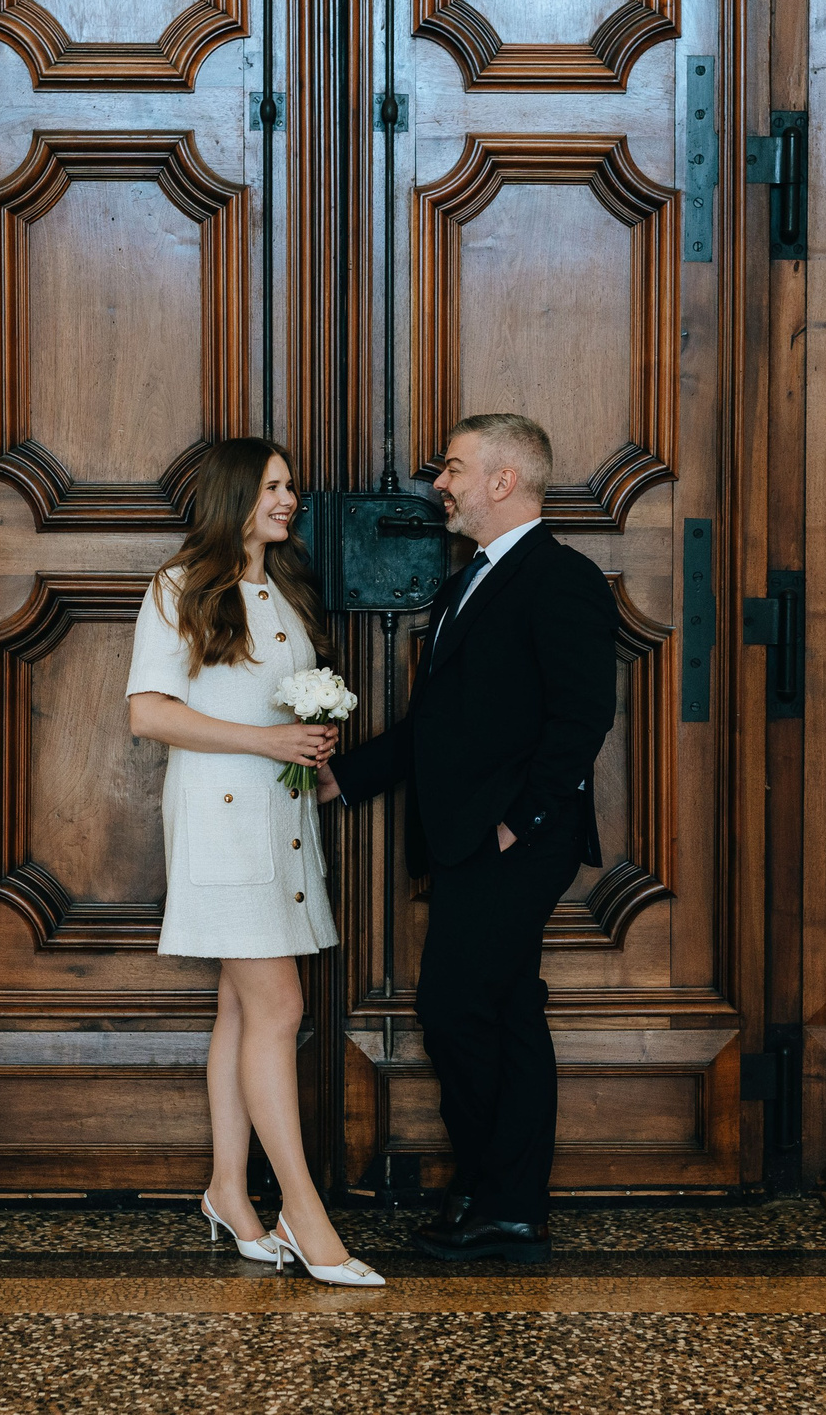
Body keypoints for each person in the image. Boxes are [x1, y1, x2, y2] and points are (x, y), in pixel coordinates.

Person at [319, 413, 617, 1262]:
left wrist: (515, 824)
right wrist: (345, 777)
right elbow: (437, 726)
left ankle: (503, 1198)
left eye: (452, 468)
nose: (438, 483)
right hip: (467, 840)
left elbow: (583, 715)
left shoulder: (561, 579)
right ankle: (502, 1201)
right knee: (504, 1010)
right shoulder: (468, 582)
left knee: (457, 1011)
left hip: (515, 842)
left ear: (503, 480)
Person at [125, 437, 384, 1289]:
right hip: (220, 824)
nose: (289, 499)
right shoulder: (179, 586)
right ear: (236, 492)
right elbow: (149, 714)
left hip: (283, 819)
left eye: (291, 487)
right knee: (280, 1005)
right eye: (274, 486)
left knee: (242, 1012)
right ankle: (305, 1216)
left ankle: (229, 1192)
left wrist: (310, 737)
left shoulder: (282, 588)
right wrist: (268, 737)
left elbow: (263, 700)